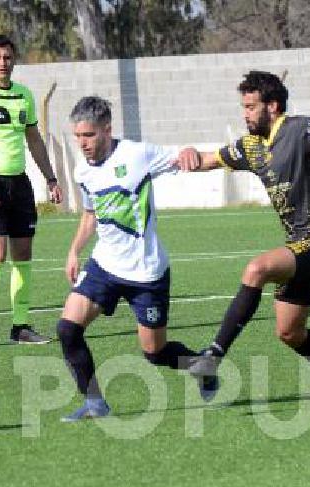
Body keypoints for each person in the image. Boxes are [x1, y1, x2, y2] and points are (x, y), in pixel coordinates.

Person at [176, 70, 310, 403]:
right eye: (244, 107)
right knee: (289, 332)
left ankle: (213, 355)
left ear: (273, 105)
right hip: (298, 246)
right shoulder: (251, 146)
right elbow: (209, 160)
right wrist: (189, 156)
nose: (245, 114)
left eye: (251, 107)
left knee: (257, 268)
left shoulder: (297, 130)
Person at [56, 96, 218, 422]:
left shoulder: (137, 155)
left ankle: (202, 366)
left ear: (106, 129)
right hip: (104, 266)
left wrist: (191, 152)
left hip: (146, 273)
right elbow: (91, 213)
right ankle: (95, 404)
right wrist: (74, 250)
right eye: (77, 136)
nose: (82, 143)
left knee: (155, 354)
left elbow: (188, 159)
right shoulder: (82, 170)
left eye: (88, 135)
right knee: (67, 330)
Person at [0, 35, 63, 347]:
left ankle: (20, 326)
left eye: (7, 58)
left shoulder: (24, 96)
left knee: (23, 256)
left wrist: (51, 178)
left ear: (13, 59)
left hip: (19, 185)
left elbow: (34, 140)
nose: (2, 63)